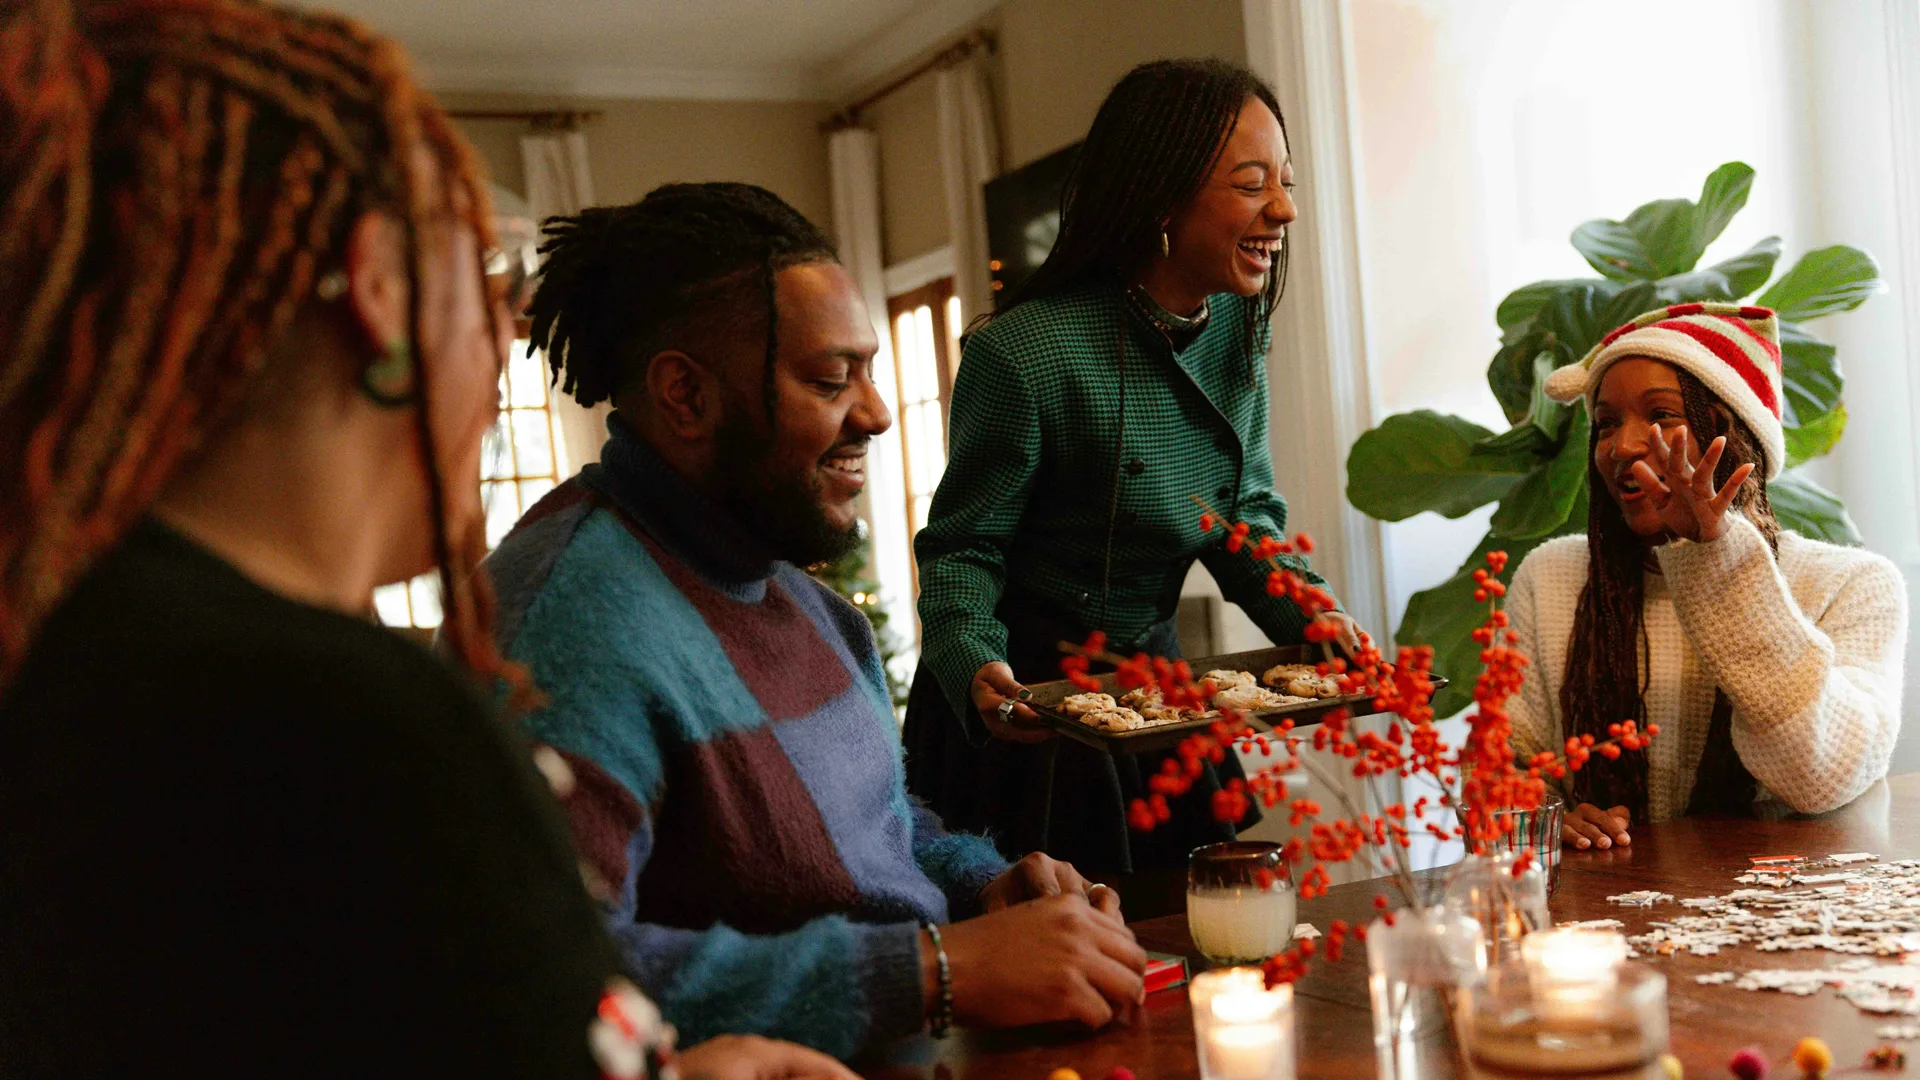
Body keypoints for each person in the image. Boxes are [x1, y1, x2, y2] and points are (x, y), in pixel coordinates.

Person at [0, 3, 852, 1078]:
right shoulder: (356, 727)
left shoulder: (65, 659)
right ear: (378, 290)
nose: (505, 335)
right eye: (491, 285)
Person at [485, 182, 1148, 1061]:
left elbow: (885, 826)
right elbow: (548, 972)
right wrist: (934, 972)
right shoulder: (573, 626)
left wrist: (989, 888)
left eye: (869, 374)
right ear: (684, 395)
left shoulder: (808, 604)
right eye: (832, 380)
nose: (874, 413)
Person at [903, 58, 1362, 884]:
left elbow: (1243, 520)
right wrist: (975, 661)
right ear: (1161, 195)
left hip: (1154, 695)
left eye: (1285, 182)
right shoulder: (1021, 354)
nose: (1285, 211)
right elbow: (962, 550)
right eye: (1252, 184)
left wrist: (1317, 621)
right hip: (1029, 710)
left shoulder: (1235, 331)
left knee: (1203, 948)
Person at [1507, 302, 1907, 850]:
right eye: (1606, 423)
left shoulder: (1852, 583)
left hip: (1792, 917)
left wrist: (1719, 558)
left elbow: (1821, 778)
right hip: (1607, 915)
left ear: (1735, 439)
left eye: (1662, 415)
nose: (1623, 446)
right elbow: (1501, 771)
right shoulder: (1551, 579)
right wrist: (1547, 822)